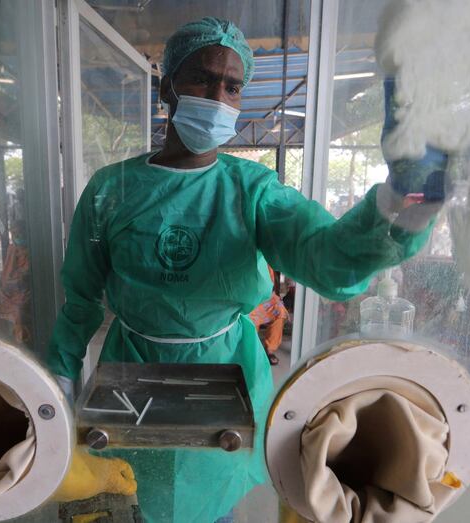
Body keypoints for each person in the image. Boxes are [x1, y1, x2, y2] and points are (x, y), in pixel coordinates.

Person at [47, 17, 446, 523]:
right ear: (168, 86)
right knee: (135, 495)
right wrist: (57, 383)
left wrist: (401, 204)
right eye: (202, 78)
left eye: (232, 86)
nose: (217, 95)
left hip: (227, 368)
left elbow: (324, 257)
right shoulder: (112, 190)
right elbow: (80, 297)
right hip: (134, 369)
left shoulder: (253, 190)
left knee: (215, 497)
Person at [249, 266, 289, 365]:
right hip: (250, 297)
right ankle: (252, 351)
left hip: (269, 296)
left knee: (280, 311)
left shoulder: (270, 256)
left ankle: (270, 350)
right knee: (249, 319)